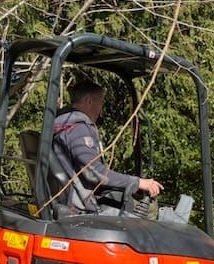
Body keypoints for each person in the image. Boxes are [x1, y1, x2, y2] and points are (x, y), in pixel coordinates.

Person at [52, 79, 163, 214]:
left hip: (70, 199)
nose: (101, 110)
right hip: (81, 207)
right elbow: (94, 173)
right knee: (148, 219)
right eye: (101, 103)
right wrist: (138, 182)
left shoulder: (59, 124)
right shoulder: (78, 129)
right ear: (89, 101)